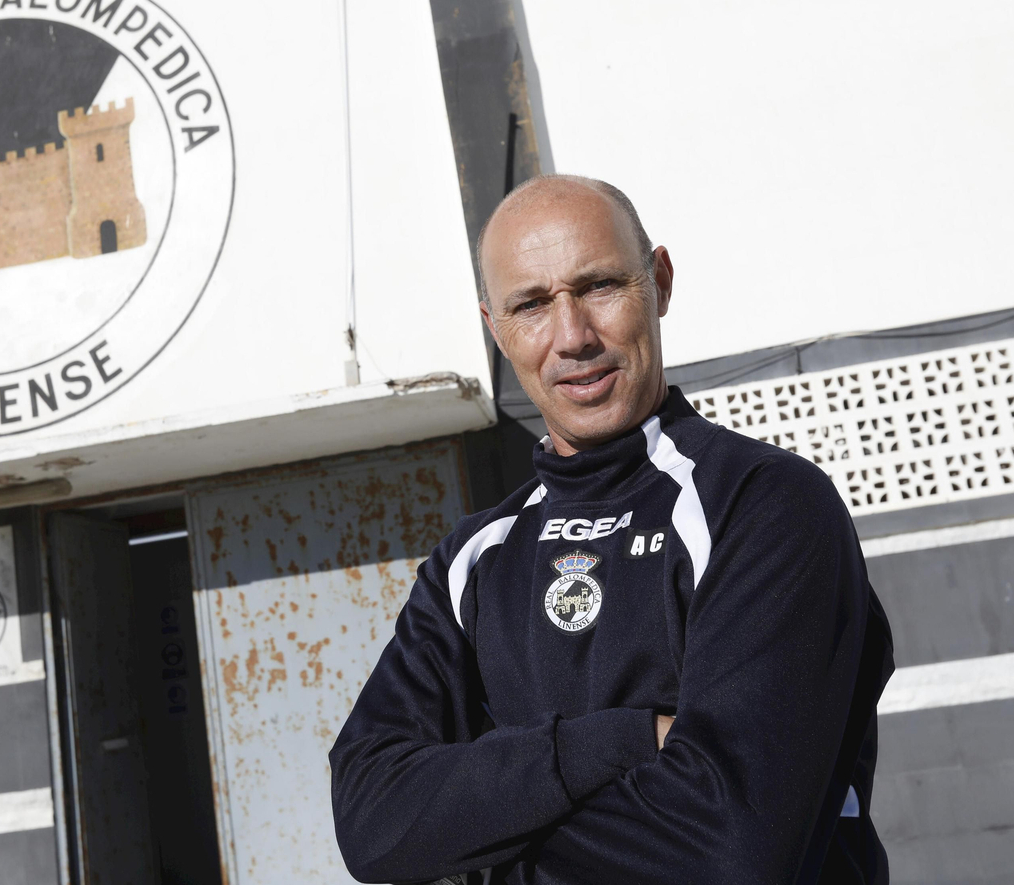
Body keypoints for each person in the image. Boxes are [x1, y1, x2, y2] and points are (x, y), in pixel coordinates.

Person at [330, 176, 893, 884]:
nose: (572, 337)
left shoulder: (765, 506)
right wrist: (621, 741)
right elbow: (372, 822)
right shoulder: (471, 562)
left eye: (598, 286)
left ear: (657, 282)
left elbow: (732, 850)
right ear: (496, 329)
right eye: (531, 304)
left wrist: (473, 843)